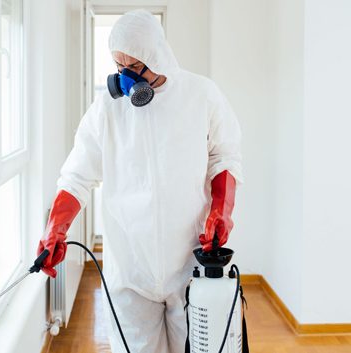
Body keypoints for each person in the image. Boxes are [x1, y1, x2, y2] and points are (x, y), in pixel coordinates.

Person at [37, 9, 243, 353]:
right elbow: (76, 175)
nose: (125, 78)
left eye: (134, 68)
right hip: (130, 270)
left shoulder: (201, 95)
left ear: (157, 57)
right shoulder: (107, 108)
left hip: (192, 264)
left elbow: (225, 155)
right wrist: (56, 228)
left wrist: (221, 209)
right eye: (119, 67)